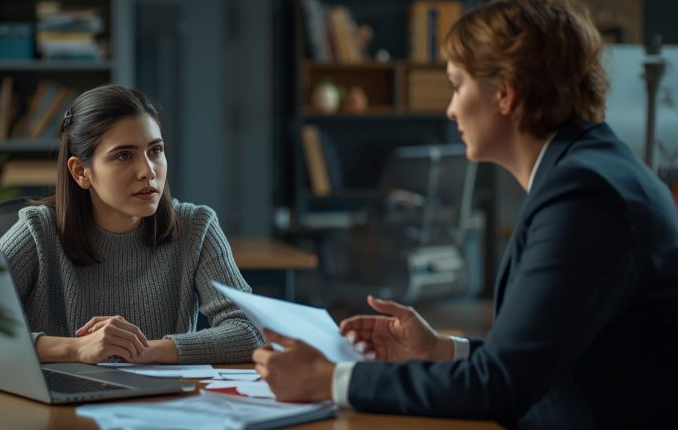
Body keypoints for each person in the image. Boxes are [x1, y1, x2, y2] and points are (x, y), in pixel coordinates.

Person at [252, 0, 678, 428]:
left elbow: (501, 386)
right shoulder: (595, 170)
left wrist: (329, 380)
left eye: (457, 86)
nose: (450, 109)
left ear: (505, 93)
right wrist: (440, 350)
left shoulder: (583, 196)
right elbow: (546, 356)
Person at [0, 84, 262, 364]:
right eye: (123, 155)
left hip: (163, 409)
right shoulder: (38, 230)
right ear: (81, 172)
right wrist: (76, 348)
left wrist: (144, 350)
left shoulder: (196, 226)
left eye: (155, 150)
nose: (148, 171)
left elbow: (250, 331)